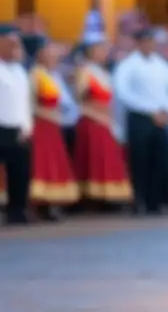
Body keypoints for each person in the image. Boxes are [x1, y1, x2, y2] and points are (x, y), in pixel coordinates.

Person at [113, 28, 168, 215]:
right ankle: (138, 201)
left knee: (160, 159)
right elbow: (123, 93)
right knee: (139, 161)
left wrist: (167, 109)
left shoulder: (161, 64)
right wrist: (150, 111)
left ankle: (155, 201)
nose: (149, 45)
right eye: (145, 41)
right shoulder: (128, 65)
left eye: (152, 41)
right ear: (138, 43)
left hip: (161, 118)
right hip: (140, 117)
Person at [74, 40, 133, 206]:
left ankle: (109, 196)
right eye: (100, 50)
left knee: (109, 157)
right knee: (95, 158)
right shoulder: (84, 71)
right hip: (92, 119)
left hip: (106, 119)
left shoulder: (105, 73)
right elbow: (80, 98)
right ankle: (93, 197)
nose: (104, 54)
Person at [27, 42, 80, 218]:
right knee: (43, 163)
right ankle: (39, 205)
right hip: (42, 125)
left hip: (54, 125)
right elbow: (30, 104)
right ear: (41, 55)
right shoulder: (35, 75)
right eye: (50, 53)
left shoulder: (54, 76)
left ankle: (51, 204)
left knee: (54, 163)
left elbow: (65, 103)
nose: (55, 57)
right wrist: (49, 115)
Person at [0, 29, 32, 225]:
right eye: (12, 44)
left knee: (20, 171)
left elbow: (25, 102)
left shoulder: (20, 71)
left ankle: (17, 210)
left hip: (17, 128)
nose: (17, 49)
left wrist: (27, 127)